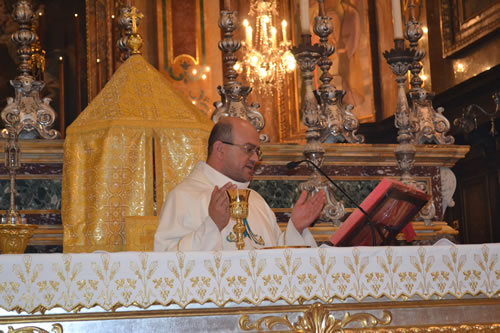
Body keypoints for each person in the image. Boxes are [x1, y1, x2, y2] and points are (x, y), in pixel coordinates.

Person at [154, 117, 326, 251]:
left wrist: (295, 229)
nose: (255, 158)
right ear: (220, 149)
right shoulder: (184, 196)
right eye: (248, 149)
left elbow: (274, 256)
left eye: (257, 151)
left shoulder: (256, 200)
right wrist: (212, 226)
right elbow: (167, 262)